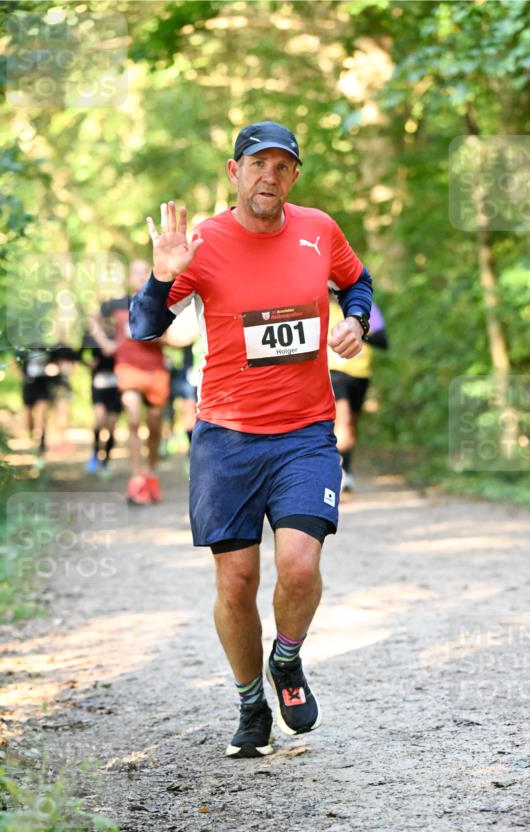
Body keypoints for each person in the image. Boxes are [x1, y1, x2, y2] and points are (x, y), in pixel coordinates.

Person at [130, 121, 373, 758]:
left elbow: (358, 281)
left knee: (299, 563)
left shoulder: (319, 229)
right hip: (227, 439)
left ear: (294, 176)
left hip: (305, 434)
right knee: (236, 582)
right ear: (233, 171)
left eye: (282, 166)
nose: (269, 175)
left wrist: (353, 320)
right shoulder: (204, 240)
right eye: (256, 164)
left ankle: (286, 661)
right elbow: (144, 327)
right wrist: (161, 276)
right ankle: (249, 704)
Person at [89, 260, 170, 504]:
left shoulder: (160, 300)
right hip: (127, 368)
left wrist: (158, 335)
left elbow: (172, 334)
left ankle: (152, 473)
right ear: (129, 277)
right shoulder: (117, 304)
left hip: (155, 370)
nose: (140, 275)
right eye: (135, 272)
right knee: (133, 418)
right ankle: (136, 478)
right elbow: (93, 320)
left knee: (154, 426)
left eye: (145, 271)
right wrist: (105, 344)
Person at [328, 292, 388, 491]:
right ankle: (334, 471)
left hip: (360, 374)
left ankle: (347, 468)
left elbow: (383, 340)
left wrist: (358, 329)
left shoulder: (366, 306)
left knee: (351, 424)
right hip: (333, 372)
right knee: (342, 420)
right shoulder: (320, 305)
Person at [81, 326, 122, 476]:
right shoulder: (91, 335)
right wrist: (89, 364)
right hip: (98, 386)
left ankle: (106, 462)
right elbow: (79, 354)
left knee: (111, 426)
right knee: (99, 420)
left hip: (116, 387)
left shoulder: (119, 333)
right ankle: (94, 454)